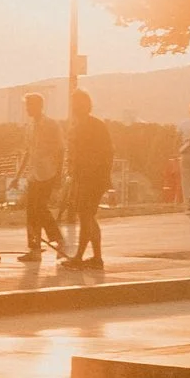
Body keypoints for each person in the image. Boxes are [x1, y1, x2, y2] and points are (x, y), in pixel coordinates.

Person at [63, 91, 113, 271]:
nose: (75, 107)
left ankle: (80, 256)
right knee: (88, 217)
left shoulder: (94, 126)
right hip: (84, 177)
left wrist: (98, 174)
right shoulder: (79, 126)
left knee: (85, 216)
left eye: (78, 104)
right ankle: (96, 258)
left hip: (92, 178)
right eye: (74, 103)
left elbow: (105, 154)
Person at [12, 91, 64, 261]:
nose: (27, 109)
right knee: (31, 211)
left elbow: (60, 150)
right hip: (34, 174)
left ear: (39, 106)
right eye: (26, 105)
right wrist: (18, 176)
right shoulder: (30, 126)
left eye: (30, 105)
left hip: (48, 172)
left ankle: (58, 238)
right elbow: (28, 152)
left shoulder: (51, 125)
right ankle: (34, 249)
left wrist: (58, 176)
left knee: (40, 208)